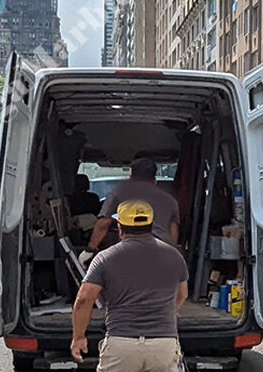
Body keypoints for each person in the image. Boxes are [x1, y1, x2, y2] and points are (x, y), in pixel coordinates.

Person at [71, 200, 189, 371]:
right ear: (151, 225)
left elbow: (84, 300)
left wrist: (78, 337)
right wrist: (163, 311)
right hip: (163, 344)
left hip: (121, 344)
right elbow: (182, 294)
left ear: (119, 226)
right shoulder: (174, 256)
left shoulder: (105, 258)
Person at [79, 158, 179, 266]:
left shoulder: (119, 194)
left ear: (130, 178)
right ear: (154, 180)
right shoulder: (170, 201)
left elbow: (103, 224)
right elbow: (173, 233)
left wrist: (89, 250)